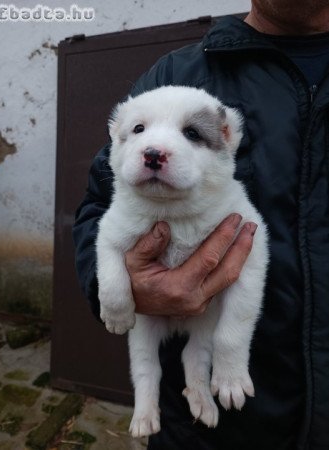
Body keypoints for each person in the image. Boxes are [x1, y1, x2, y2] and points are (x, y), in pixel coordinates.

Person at [72, 1, 329, 449]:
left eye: (192, 134)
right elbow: (97, 211)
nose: (157, 146)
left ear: (228, 140)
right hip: (204, 432)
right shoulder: (178, 73)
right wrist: (116, 288)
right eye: (138, 132)